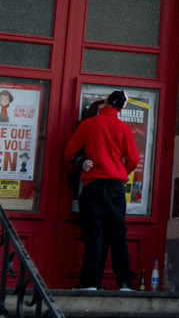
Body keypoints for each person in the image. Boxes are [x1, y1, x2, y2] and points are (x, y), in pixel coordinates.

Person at [62, 90, 140, 291]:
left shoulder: (88, 125)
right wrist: (121, 171)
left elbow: (70, 153)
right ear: (122, 107)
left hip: (93, 186)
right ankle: (124, 281)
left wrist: (78, 167)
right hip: (115, 187)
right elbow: (133, 160)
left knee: (93, 235)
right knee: (118, 234)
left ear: (105, 102)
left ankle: (90, 281)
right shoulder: (124, 129)